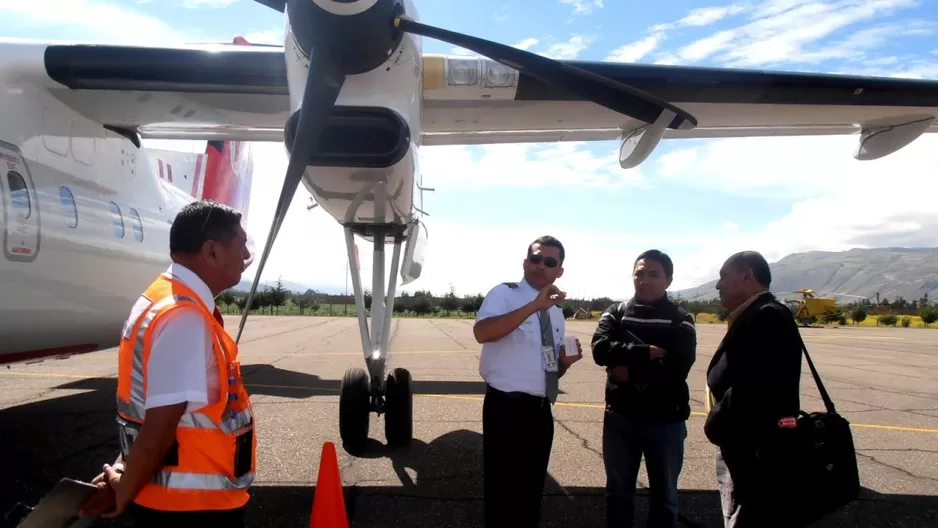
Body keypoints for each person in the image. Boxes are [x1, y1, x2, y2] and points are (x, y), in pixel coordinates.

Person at [80, 199, 256, 526]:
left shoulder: (161, 300)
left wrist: (124, 471)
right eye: (242, 245)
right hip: (191, 511)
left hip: (179, 501)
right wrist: (124, 491)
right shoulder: (183, 318)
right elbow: (160, 425)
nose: (246, 256)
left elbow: (149, 412)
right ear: (212, 252)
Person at [472, 235, 584, 528]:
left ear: (559, 271)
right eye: (535, 259)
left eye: (549, 262)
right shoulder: (504, 294)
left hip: (540, 409)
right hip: (505, 408)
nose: (540, 266)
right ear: (525, 262)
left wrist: (563, 364)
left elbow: (550, 370)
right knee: (502, 492)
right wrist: (534, 306)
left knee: (531, 491)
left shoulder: (557, 312)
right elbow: (483, 333)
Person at [590, 249, 696, 528]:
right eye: (639, 273)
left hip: (665, 422)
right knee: (618, 494)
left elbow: (677, 369)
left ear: (668, 280)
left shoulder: (681, 319)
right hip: (620, 420)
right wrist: (648, 352)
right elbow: (601, 350)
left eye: (653, 274)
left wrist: (628, 368)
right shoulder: (616, 313)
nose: (644, 280)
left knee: (665, 497)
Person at [704, 251, 803, 528]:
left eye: (724, 275)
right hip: (745, 445)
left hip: (753, 449)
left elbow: (752, 388)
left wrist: (716, 425)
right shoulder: (757, 314)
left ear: (747, 276)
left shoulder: (767, 317)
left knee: (747, 515)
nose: (718, 284)